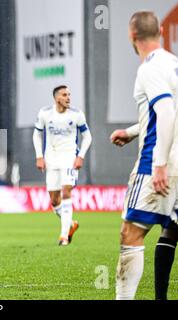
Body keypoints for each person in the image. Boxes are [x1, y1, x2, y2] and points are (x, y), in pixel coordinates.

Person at [109, 11, 178, 300]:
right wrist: (134, 130)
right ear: (161, 31)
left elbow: (165, 112)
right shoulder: (174, 63)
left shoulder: (149, 68)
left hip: (158, 163)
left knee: (131, 234)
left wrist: (160, 164)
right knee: (172, 230)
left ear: (131, 35)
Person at [32, 85, 92, 246]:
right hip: (51, 159)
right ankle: (71, 224)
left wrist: (80, 156)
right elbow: (37, 135)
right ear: (56, 97)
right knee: (54, 200)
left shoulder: (76, 114)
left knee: (66, 192)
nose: (68, 98)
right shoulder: (45, 113)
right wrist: (39, 156)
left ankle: (64, 236)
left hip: (69, 158)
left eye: (69, 95)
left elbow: (87, 137)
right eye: (65, 95)